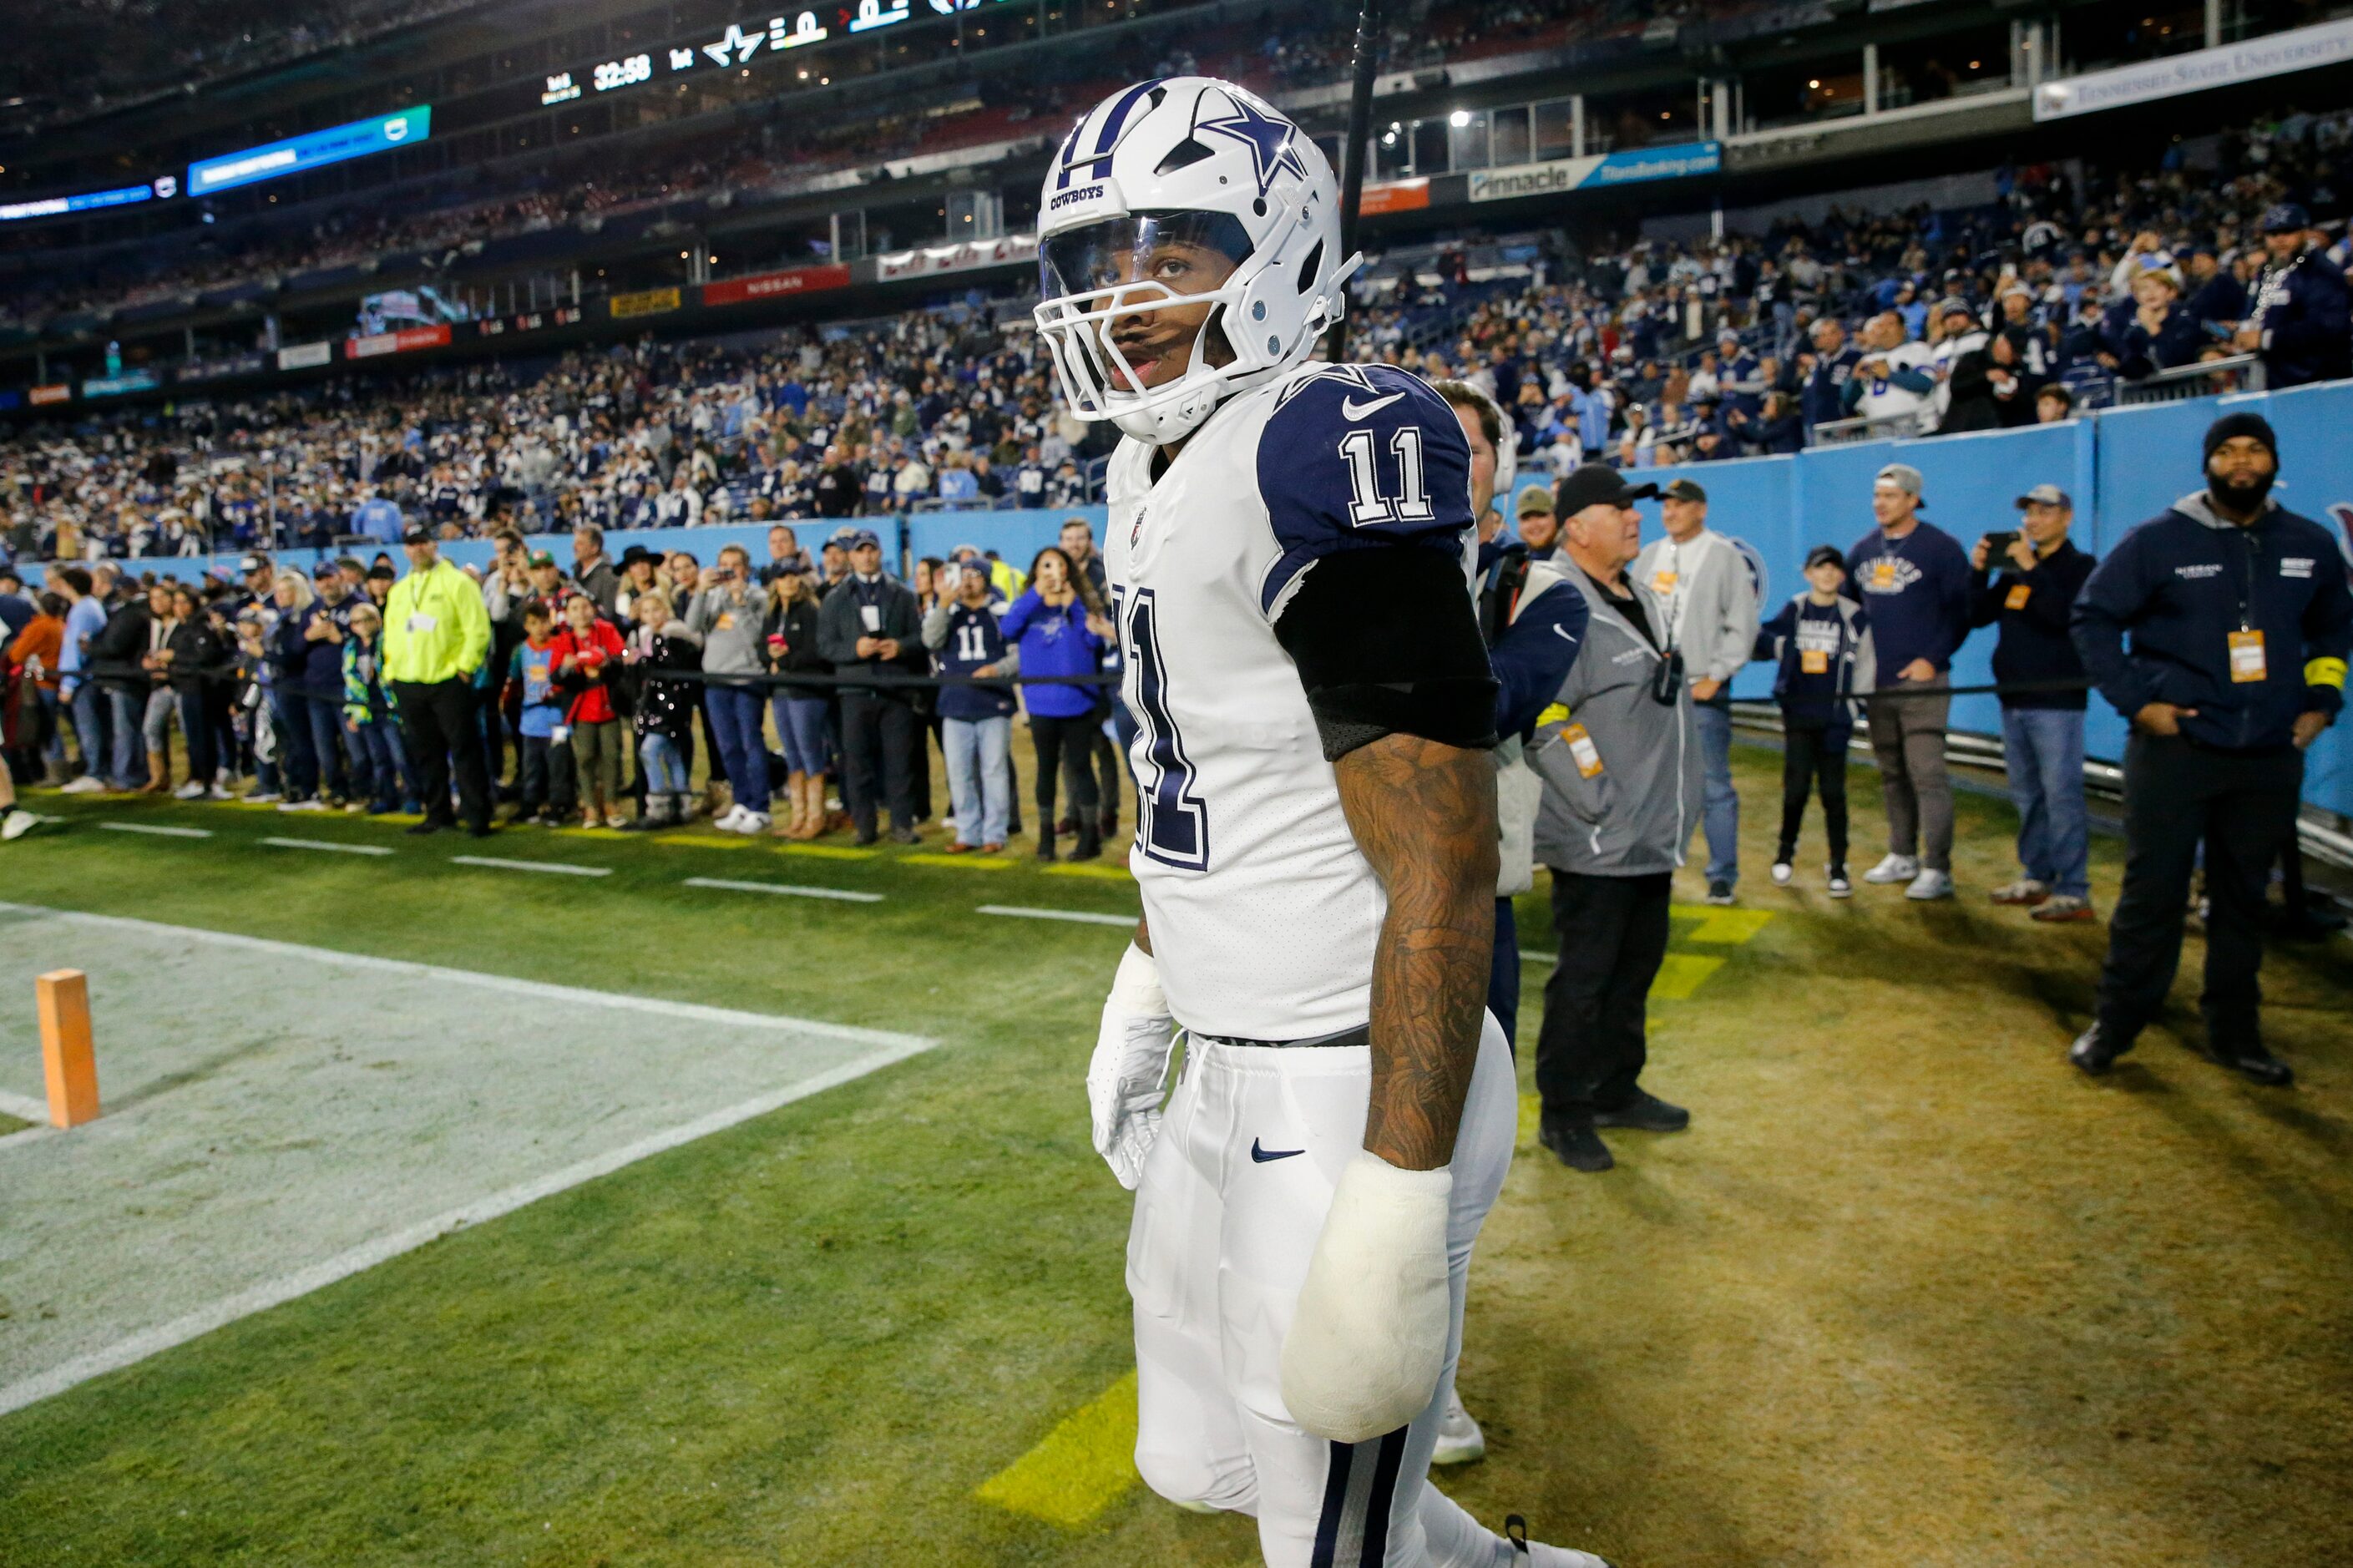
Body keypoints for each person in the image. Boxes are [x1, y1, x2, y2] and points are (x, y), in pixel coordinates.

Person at [1040, 77, 1604, 1567]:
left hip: (1343, 1068)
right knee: (1199, 1452)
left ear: (1277, 249)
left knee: (1325, 1538)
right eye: (1107, 260)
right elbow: (1200, 767)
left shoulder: (1321, 436)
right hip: (1227, 1052)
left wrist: (1397, 1179)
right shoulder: (1137, 461)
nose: (1125, 293)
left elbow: (1442, 843)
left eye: (1174, 253)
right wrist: (1154, 986)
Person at [2067, 412, 2350, 1087]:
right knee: (2152, 895)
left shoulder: (2309, 544)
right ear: (2208, 465)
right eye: (2229, 451)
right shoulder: (2158, 541)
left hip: (2269, 756)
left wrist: (2321, 704)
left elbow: (2334, 631)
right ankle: (2116, 1023)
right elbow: (2093, 617)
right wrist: (2138, 703)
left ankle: (2235, 1033)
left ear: (2273, 464)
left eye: (2256, 450)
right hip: (2179, 750)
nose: (2243, 462)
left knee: (2243, 901)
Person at [1526, 464, 1698, 1176]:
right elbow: (1543, 715)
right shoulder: (1559, 598)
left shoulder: (1637, 594)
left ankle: (1615, 1088)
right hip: (1601, 837)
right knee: (1587, 981)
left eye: (1635, 508)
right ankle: (1563, 1111)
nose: (1635, 518)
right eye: (1618, 508)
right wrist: (1598, 800)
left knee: (1634, 974)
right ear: (1577, 528)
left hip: (1649, 836)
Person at [1971, 484, 2098, 922]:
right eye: (2029, 513)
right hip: (2015, 697)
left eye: (2044, 512)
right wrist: (1979, 572)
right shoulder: (2014, 571)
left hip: (2058, 701)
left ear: (2067, 517)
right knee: (2028, 794)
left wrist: (2030, 571)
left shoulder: (2083, 568)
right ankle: (2037, 875)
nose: (2033, 521)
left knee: (2061, 795)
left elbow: (2063, 617)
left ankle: (2074, 888)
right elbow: (1977, 614)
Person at [1845, 463, 1972, 900]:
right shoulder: (1862, 550)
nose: (1881, 503)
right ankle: (1903, 853)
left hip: (1923, 683)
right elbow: (1849, 611)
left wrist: (1933, 659)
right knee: (1892, 773)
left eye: (1891, 495)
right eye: (1877, 495)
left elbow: (1962, 611)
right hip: (1876, 683)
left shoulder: (1940, 548)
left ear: (1914, 499)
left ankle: (1938, 866)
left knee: (1927, 773)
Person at [1632, 477, 1758, 905]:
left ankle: (1722, 874)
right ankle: (1651, 868)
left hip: (1701, 687)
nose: (1669, 512)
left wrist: (1718, 675)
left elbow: (1742, 622)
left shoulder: (1723, 556)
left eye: (1679, 505)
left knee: (1713, 785)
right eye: (1666, 505)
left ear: (1700, 510)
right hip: (1653, 690)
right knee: (1652, 783)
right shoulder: (1649, 555)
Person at [1753, 545, 1873, 895]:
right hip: (1800, 718)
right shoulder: (1796, 608)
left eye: (1834, 569)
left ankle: (1838, 867)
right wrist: (1784, 654)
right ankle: (1784, 856)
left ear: (1842, 576)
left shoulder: (1854, 616)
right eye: (1820, 568)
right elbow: (1765, 640)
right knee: (1795, 791)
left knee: (1834, 794)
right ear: (1808, 573)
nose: (1828, 574)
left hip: (1835, 721)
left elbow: (1867, 663)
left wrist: (1853, 708)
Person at [382, 525, 495, 837]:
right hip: (409, 681)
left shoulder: (457, 582)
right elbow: (390, 633)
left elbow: (478, 628)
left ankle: (477, 815)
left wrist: (464, 668)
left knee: (464, 749)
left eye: (422, 543)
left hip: (447, 680)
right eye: (411, 545)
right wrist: (391, 671)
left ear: (434, 545)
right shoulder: (400, 590)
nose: (417, 550)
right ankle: (438, 813)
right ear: (405, 550)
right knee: (425, 752)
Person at [816, 528, 925, 845]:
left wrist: (900, 647)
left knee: (899, 763)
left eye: (871, 550)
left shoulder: (902, 595)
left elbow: (920, 639)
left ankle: (902, 824)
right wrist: (855, 650)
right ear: (850, 556)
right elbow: (825, 645)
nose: (866, 556)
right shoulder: (835, 599)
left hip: (895, 691)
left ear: (880, 553)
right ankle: (865, 826)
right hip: (855, 692)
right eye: (860, 551)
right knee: (857, 764)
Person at [1000, 547, 1109, 862]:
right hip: (1040, 704)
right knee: (1045, 769)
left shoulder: (1081, 602)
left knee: (1081, 768)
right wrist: (1036, 594)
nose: (1054, 573)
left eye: (1059, 566)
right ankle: (1046, 838)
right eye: (1046, 566)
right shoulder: (1028, 605)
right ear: (1036, 570)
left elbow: (1091, 644)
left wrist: (1073, 602)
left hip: (1078, 701)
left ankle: (1090, 838)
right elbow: (1007, 630)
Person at [923, 558, 1016, 853]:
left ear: (987, 580)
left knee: (994, 772)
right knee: (959, 773)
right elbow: (931, 640)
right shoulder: (948, 611)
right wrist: (942, 604)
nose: (968, 581)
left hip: (993, 702)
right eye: (963, 575)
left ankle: (995, 833)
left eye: (975, 575)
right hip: (956, 703)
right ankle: (968, 831)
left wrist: (997, 670)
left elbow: (1019, 655)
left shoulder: (1001, 613)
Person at [688, 545, 773, 834]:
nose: (729, 571)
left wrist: (740, 603)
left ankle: (761, 807)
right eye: (724, 565)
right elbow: (692, 627)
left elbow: (756, 638)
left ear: (746, 570)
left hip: (748, 678)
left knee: (751, 742)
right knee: (728, 746)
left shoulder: (759, 598)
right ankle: (742, 801)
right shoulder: (713, 598)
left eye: (735, 565)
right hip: (716, 680)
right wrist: (700, 592)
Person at [2232, 203, 2353, 388]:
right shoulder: (2267, 271)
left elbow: (2329, 326)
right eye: (2273, 234)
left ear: (2305, 232)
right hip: (2276, 379)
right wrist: (2241, 330)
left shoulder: (2320, 271)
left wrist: (2265, 338)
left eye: (2288, 232)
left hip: (2316, 382)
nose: (2280, 239)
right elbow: (2257, 312)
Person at [620, 590, 704, 830]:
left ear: (665, 610)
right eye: (646, 611)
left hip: (672, 702)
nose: (652, 615)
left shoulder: (675, 634)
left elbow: (669, 664)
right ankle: (681, 804)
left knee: (649, 750)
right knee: (671, 753)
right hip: (654, 701)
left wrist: (642, 661)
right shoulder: (645, 635)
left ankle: (659, 807)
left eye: (656, 609)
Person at [763, 568, 832, 839]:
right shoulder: (773, 612)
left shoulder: (810, 610)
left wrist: (783, 661)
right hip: (781, 692)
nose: (788, 581)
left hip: (807, 691)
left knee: (809, 752)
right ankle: (798, 816)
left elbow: (817, 651)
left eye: (793, 576)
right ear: (775, 583)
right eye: (782, 577)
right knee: (792, 753)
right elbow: (761, 644)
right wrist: (768, 656)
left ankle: (816, 818)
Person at [340, 600, 416, 814]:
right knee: (379, 758)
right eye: (356, 622)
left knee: (400, 756)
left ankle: (413, 795)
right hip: (366, 710)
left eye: (365, 620)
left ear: (377, 621)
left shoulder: (387, 642)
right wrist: (353, 712)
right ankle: (386, 796)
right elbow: (350, 682)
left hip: (389, 708)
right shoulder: (351, 648)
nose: (361, 625)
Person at [503, 603, 574, 826]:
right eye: (534, 623)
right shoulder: (521, 651)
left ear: (551, 622)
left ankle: (558, 804)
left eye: (544, 622)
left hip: (558, 720)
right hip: (531, 721)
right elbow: (513, 680)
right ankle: (530, 805)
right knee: (531, 766)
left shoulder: (560, 648)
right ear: (526, 626)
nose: (540, 628)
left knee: (558, 766)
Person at [162, 584, 231, 801]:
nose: (179, 607)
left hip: (201, 689)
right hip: (186, 687)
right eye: (176, 602)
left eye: (184, 602)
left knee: (202, 736)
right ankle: (198, 778)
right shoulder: (182, 627)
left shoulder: (199, 627)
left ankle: (206, 780)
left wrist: (175, 657)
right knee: (193, 736)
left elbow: (206, 657)